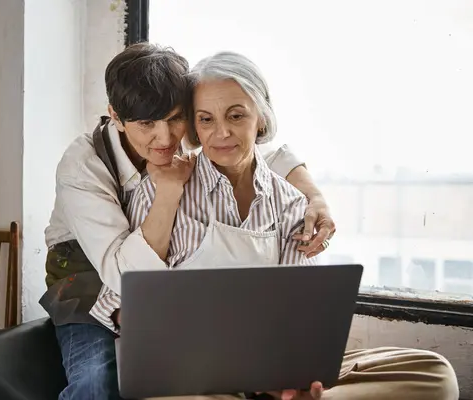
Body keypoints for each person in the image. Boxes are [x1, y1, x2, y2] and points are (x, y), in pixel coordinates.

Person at [109, 51, 459, 400]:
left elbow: (299, 317)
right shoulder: (161, 189)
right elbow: (123, 304)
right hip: (191, 378)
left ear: (260, 118)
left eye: (236, 115)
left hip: (274, 370)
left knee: (435, 374)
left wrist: (298, 377)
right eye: (205, 119)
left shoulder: (291, 203)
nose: (222, 132)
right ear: (195, 127)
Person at [40, 43, 337, 400]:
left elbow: (252, 148)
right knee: (98, 383)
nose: (165, 139)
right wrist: (167, 194)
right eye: (147, 123)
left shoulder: (207, 154)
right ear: (116, 117)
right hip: (87, 273)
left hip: (161, 297)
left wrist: (313, 197)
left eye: (175, 118)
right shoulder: (84, 166)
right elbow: (122, 284)